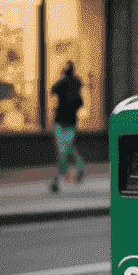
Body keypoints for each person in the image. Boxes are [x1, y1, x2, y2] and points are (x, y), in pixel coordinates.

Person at [50, 62, 85, 192]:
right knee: (67, 148)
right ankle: (79, 167)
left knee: (63, 149)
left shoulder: (62, 83)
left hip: (60, 121)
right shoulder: (77, 83)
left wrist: (61, 78)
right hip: (71, 122)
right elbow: (80, 102)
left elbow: (53, 89)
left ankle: (57, 178)